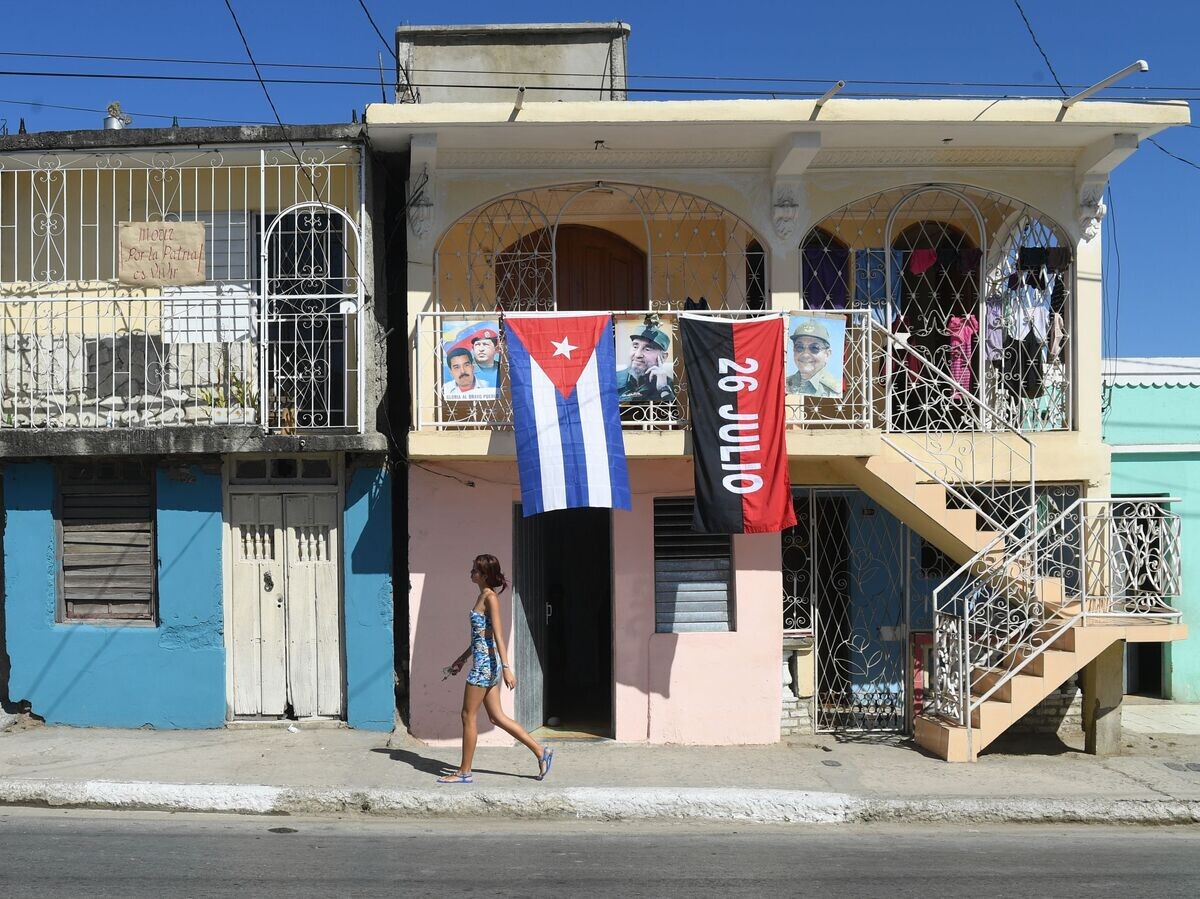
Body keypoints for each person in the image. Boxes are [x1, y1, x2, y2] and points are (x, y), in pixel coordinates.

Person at [438, 554, 554, 784]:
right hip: (483, 662)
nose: (470, 573)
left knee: (467, 716)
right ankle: (542, 752)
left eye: (474, 570)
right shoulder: (481, 595)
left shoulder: (490, 598)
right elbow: (482, 637)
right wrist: (461, 659)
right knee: (497, 717)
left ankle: (464, 772)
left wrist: (508, 668)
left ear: (484, 575)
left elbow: (499, 635)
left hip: (484, 666)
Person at [616, 324, 674, 402]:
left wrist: (663, 389)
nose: (637, 355)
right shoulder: (613, 380)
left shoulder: (672, 386)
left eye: (647, 349)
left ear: (663, 357)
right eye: (635, 347)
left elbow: (675, 412)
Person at [786, 319, 842, 397]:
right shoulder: (784, 385)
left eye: (814, 348)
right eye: (799, 347)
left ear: (827, 354)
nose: (805, 355)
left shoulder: (836, 391)